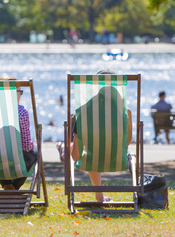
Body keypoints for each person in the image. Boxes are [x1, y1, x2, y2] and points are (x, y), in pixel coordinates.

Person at [57, 69, 133, 203]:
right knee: (97, 149)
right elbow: (126, 142)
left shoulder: (83, 112)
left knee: (92, 151)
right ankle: (103, 197)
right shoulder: (125, 112)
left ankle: (63, 148)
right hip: (117, 159)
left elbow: (75, 156)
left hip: (91, 160)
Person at [0, 76, 37, 190]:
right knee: (33, 154)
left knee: (0, 152)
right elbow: (26, 145)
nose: (20, 94)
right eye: (20, 91)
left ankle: (6, 184)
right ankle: (14, 187)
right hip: (15, 159)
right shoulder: (20, 111)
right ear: (12, 93)